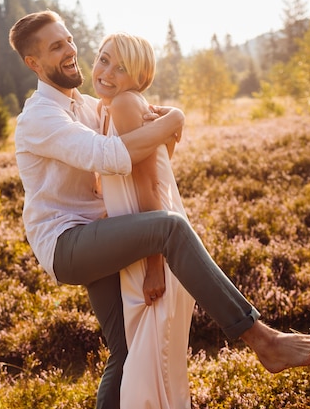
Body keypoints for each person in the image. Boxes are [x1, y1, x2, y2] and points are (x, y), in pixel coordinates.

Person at [8, 10, 310, 409]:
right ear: (33, 63)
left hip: (106, 231)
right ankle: (262, 339)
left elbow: (148, 156)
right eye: (55, 46)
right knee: (170, 229)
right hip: (68, 243)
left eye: (69, 40)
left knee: (126, 350)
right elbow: (110, 155)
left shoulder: (90, 105)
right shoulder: (39, 118)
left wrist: (164, 128)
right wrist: (178, 116)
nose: (70, 51)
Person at [92, 31, 196, 408]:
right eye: (103, 59)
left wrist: (155, 266)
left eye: (121, 68)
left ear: (140, 77)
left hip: (154, 256)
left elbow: (151, 187)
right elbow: (158, 167)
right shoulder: (114, 108)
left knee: (150, 377)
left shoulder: (123, 104)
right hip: (140, 250)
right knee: (152, 373)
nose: (106, 72)